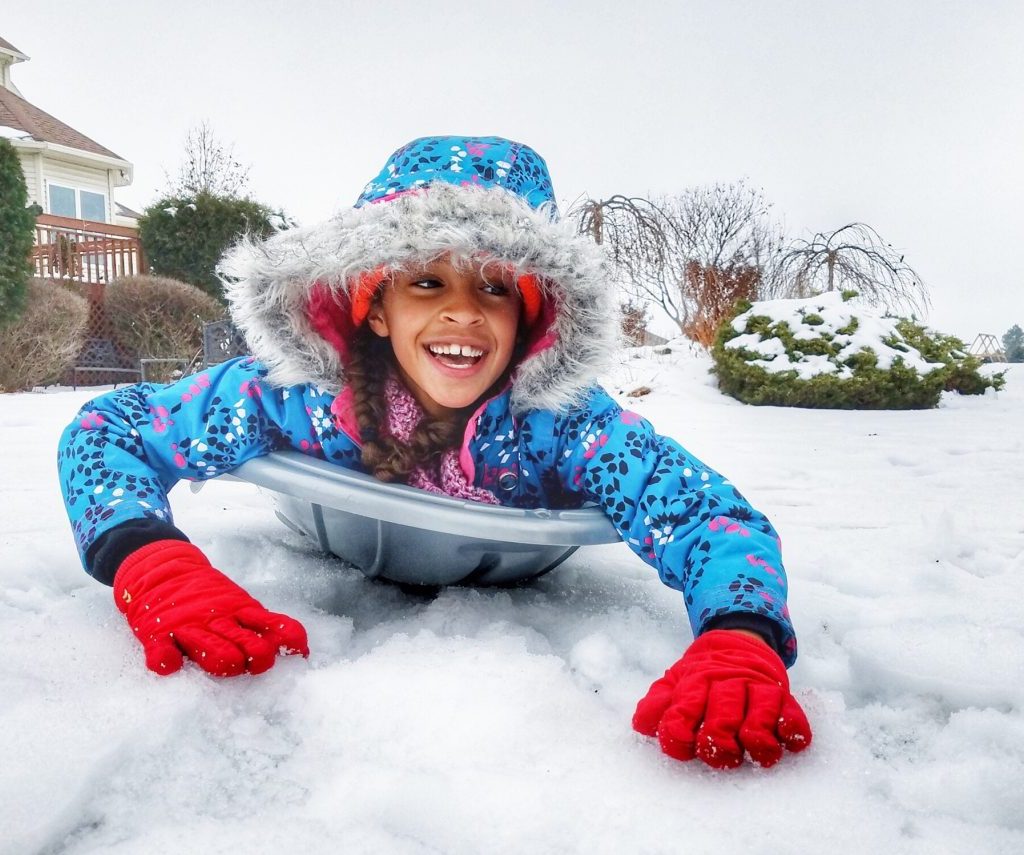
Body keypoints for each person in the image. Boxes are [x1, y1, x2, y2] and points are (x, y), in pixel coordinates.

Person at [58, 135, 812, 770]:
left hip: (516, 566)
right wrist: (152, 562)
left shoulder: (561, 424)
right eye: (425, 279)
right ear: (374, 306)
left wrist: (739, 635)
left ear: (531, 316)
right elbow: (111, 429)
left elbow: (706, 512)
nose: (461, 309)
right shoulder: (296, 395)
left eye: (494, 286)